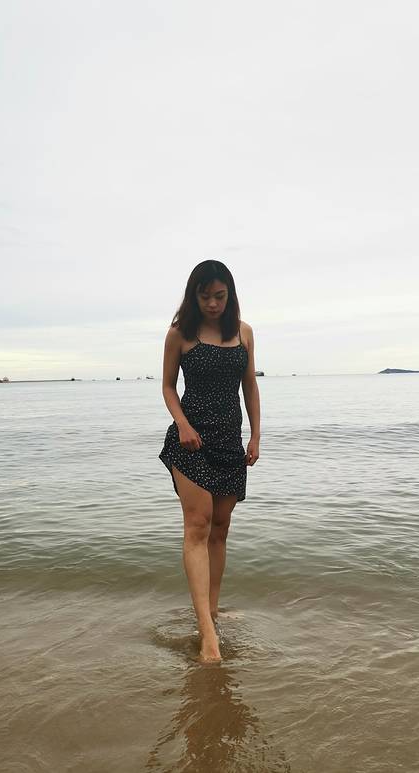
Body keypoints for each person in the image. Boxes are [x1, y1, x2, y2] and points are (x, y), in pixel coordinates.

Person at [159, 260, 260, 663]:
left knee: (220, 529)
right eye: (205, 297)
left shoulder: (244, 332)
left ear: (229, 295)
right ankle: (207, 635)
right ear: (193, 296)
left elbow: (249, 386)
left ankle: (212, 613)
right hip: (191, 442)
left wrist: (255, 434)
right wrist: (182, 424)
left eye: (219, 296)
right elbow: (168, 386)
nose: (213, 304)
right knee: (198, 526)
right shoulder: (179, 334)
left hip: (229, 442)